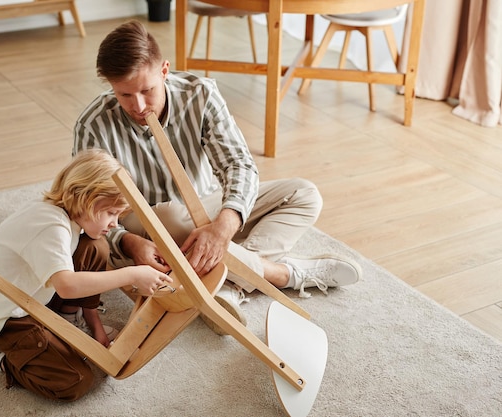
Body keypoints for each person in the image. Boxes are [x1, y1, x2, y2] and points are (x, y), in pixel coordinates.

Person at [73, 20, 361, 334]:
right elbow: (86, 210)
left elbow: (239, 165)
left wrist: (224, 226)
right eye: (125, 95)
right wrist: (128, 244)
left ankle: (231, 287)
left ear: (165, 70)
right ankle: (283, 274)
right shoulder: (93, 126)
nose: (139, 105)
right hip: (145, 223)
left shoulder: (201, 93)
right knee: (170, 213)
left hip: (204, 206)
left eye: (147, 90)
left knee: (304, 194)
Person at [0, 149, 173, 401]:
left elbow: (75, 281)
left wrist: (95, 327)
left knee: (96, 245)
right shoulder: (50, 225)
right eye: (110, 213)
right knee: (75, 381)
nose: (115, 223)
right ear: (84, 198)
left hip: (37, 297)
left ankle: (67, 317)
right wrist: (131, 274)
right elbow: (67, 286)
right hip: (7, 319)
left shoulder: (70, 218)